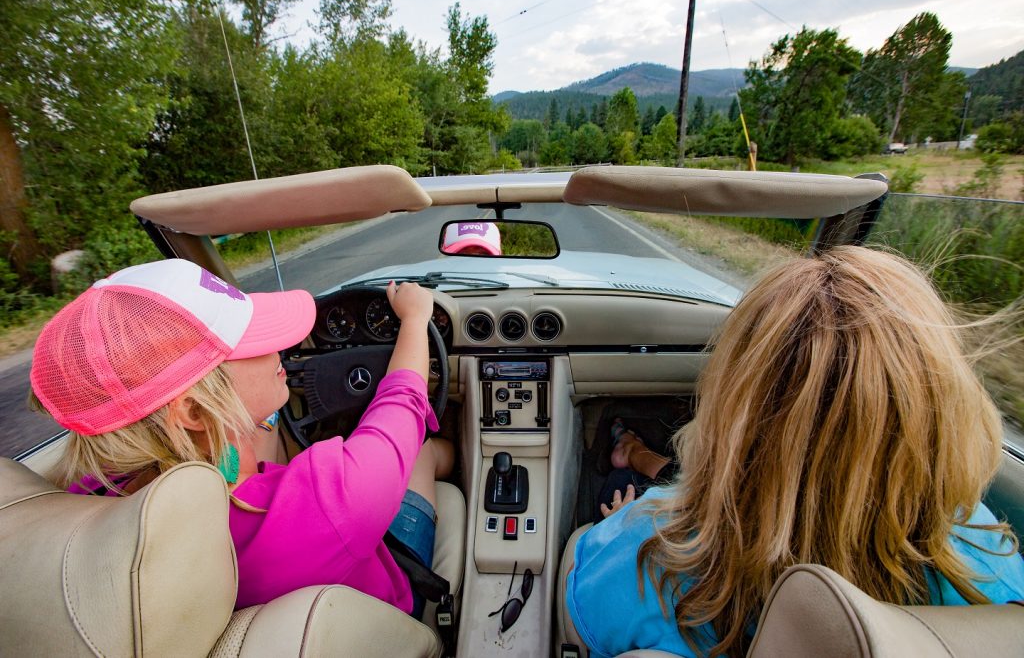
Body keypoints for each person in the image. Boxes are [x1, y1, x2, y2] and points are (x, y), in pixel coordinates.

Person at [566, 246, 1024, 658]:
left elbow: (578, 607)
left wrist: (612, 526)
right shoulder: (988, 556)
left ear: (731, 419)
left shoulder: (646, 547)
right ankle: (636, 452)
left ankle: (630, 452)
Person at [29, 258, 453, 619]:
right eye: (256, 343)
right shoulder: (329, 499)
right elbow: (403, 402)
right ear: (195, 411)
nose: (283, 350)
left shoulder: (90, 498)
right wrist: (415, 319)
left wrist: (250, 416)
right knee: (424, 451)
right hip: (381, 609)